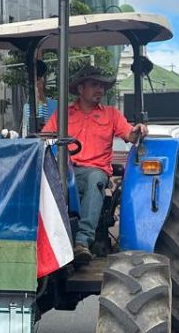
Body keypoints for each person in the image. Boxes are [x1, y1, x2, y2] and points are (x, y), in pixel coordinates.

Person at [42, 65, 147, 264]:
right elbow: (45, 137)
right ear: (80, 89)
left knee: (96, 179)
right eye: (94, 85)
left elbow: (130, 135)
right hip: (67, 171)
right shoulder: (64, 114)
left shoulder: (111, 114)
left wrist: (138, 129)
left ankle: (82, 242)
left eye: (101, 86)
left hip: (95, 172)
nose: (100, 90)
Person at [20, 60, 58, 135]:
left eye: (38, 79)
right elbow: (26, 130)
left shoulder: (54, 105)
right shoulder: (27, 107)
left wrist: (40, 92)